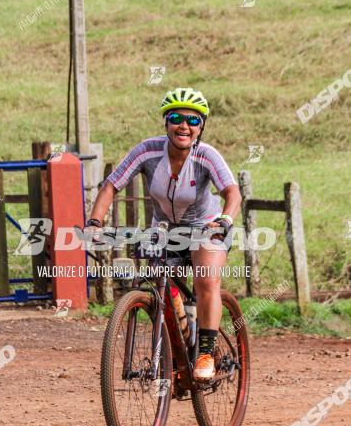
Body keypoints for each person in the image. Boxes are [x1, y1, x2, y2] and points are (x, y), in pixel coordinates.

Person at [85, 87, 241, 381]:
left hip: (207, 226)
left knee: (206, 277)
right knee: (159, 283)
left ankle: (205, 353)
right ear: (166, 122)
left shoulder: (206, 156)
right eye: (176, 118)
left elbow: (232, 193)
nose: (184, 125)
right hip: (165, 229)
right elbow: (111, 186)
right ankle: (179, 341)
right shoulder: (147, 151)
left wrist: (224, 220)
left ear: (201, 127)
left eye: (193, 120)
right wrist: (94, 222)